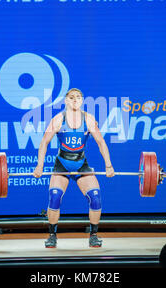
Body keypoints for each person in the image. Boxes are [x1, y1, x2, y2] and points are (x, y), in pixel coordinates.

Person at [33, 88, 115, 248]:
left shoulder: (89, 119)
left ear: (82, 100)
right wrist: (39, 165)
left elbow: (101, 142)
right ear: (66, 101)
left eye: (78, 97)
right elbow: (44, 142)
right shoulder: (58, 119)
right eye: (71, 97)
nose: (75, 100)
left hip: (80, 163)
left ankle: (93, 235)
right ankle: (52, 236)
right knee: (55, 196)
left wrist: (108, 165)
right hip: (62, 163)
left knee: (95, 196)